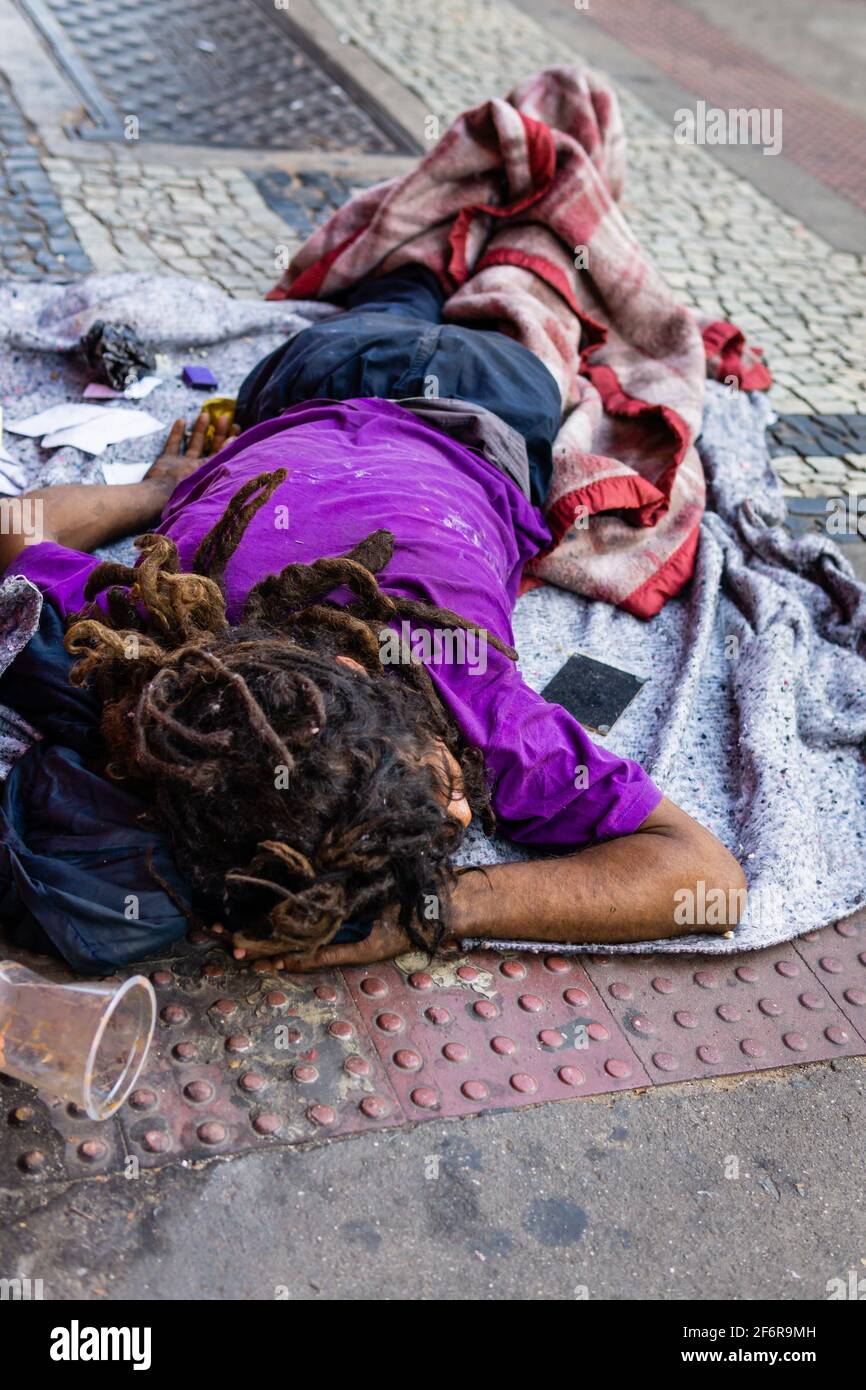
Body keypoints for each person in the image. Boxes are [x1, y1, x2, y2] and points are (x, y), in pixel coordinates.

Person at [0, 267, 744, 972]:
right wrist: (160, 494)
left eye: (436, 790)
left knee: (488, 300)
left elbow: (709, 879)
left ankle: (433, 274)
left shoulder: (469, 691)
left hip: (456, 408)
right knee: (418, 294)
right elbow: (16, 531)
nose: (463, 809)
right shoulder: (173, 644)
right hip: (333, 381)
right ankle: (422, 276)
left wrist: (440, 908)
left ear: (378, 685)